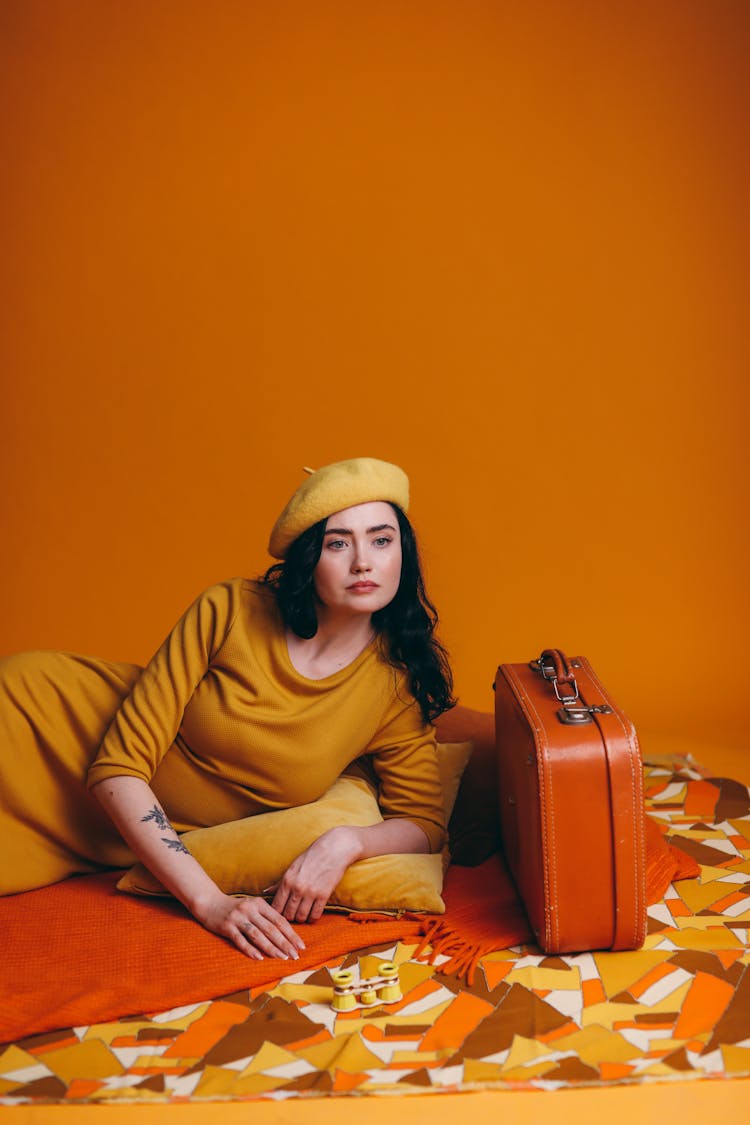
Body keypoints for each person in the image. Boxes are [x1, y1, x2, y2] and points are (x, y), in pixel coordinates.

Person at [0, 457, 454, 960]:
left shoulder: (394, 686)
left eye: (381, 539)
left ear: (403, 554)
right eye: (338, 543)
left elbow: (423, 823)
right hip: (38, 723)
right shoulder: (230, 611)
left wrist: (344, 841)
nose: (363, 562)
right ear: (310, 559)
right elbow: (118, 769)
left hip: (114, 831)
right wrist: (210, 902)